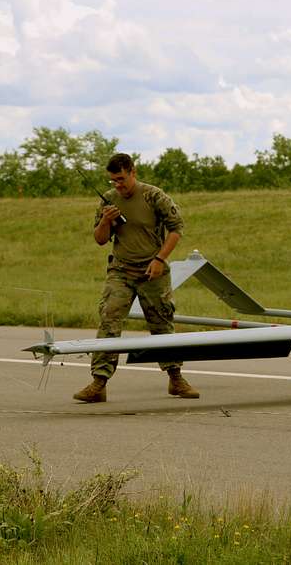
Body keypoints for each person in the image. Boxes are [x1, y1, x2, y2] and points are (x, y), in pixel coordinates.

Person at [72, 153, 199, 403]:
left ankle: (176, 378)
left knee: (162, 324)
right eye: (112, 181)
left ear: (133, 172)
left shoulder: (154, 196)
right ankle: (99, 382)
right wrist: (106, 221)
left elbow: (176, 230)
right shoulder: (109, 200)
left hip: (153, 270)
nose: (118, 185)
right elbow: (99, 239)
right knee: (109, 319)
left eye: (121, 179)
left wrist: (160, 260)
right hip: (121, 271)